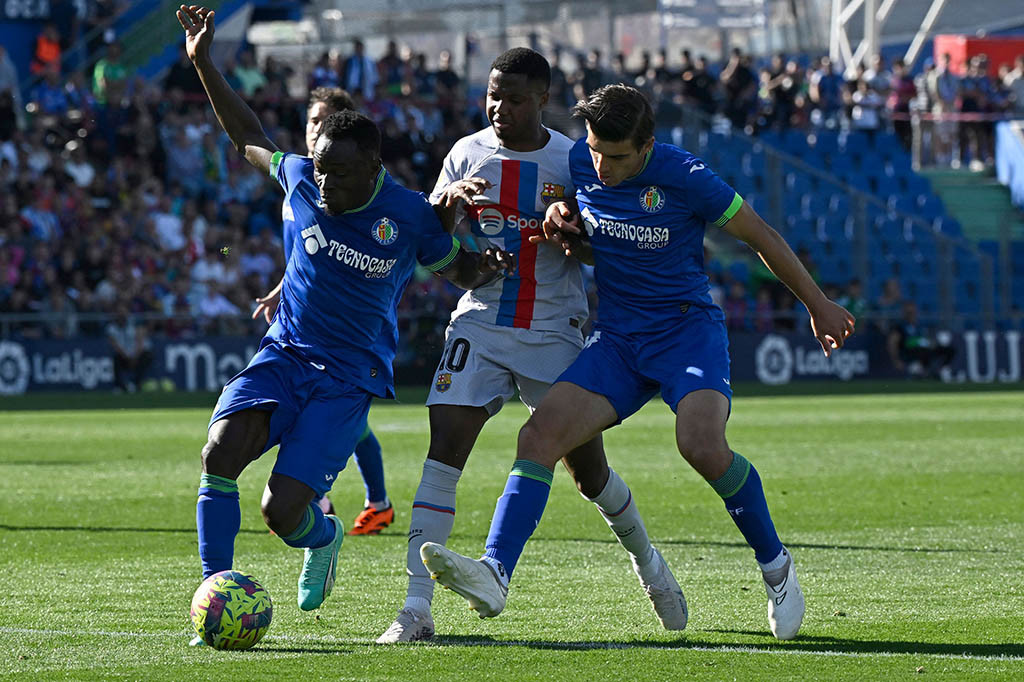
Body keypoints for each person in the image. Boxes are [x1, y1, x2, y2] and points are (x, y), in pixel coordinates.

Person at [420, 84, 856, 641]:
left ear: (647, 146)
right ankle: (495, 572)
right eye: (595, 150)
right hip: (619, 339)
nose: (602, 166)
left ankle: (776, 567)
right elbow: (581, 226)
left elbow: (760, 236)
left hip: (685, 332)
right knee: (538, 437)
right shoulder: (582, 163)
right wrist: (561, 217)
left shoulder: (687, 176)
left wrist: (817, 304)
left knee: (701, 446)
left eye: (617, 156)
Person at [176, 5, 514, 646]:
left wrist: (486, 266)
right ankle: (213, 593)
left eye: (338, 172)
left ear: (374, 167)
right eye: (320, 167)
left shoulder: (409, 215)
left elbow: (455, 268)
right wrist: (203, 63)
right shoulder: (303, 178)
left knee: (282, 512)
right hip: (284, 354)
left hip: (348, 378)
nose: (324, 182)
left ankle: (324, 537)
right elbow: (246, 135)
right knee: (219, 453)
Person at [377, 49, 686, 645]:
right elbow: (435, 245)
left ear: (543, 99)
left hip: (553, 330)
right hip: (481, 323)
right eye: (494, 95)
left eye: (515, 98)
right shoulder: (465, 153)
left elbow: (602, 247)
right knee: (443, 454)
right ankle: (415, 609)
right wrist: (448, 212)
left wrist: (573, 236)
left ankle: (648, 563)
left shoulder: (573, 158)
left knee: (589, 473)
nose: (500, 107)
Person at [252, 85, 395, 535]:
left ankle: (352, 500)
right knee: (338, 424)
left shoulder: (351, 191)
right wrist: (282, 288)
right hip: (303, 324)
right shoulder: (299, 180)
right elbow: (308, 252)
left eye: (325, 121)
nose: (316, 128)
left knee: (346, 425)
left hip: (348, 337)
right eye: (312, 120)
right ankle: (364, 502)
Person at [106, 305, 153, 393]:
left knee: (147, 356)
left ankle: (135, 383)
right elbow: (115, 345)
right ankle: (118, 386)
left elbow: (140, 341)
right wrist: (126, 356)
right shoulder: (111, 327)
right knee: (116, 358)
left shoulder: (135, 324)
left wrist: (135, 356)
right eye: (119, 312)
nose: (121, 315)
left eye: (123, 312)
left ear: (128, 313)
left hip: (137, 354)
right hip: (124, 355)